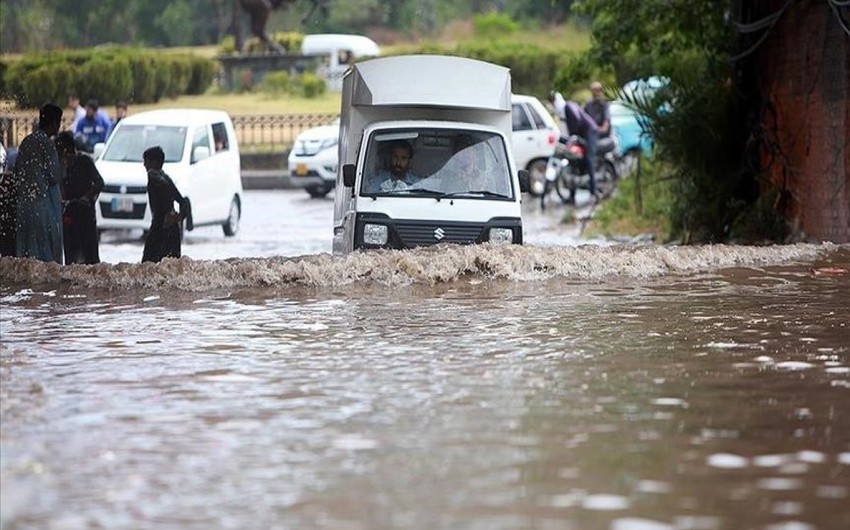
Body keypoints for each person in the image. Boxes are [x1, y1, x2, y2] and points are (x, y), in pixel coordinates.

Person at [14, 103, 64, 263]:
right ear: (54, 123)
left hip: (24, 208)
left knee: (26, 258)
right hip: (43, 209)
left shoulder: (27, 142)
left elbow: (17, 173)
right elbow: (54, 176)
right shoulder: (47, 144)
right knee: (46, 260)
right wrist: (63, 162)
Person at [55, 131, 104, 264]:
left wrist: (87, 197)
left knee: (90, 255)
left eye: (62, 151)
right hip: (69, 213)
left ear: (69, 148)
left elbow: (99, 182)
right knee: (71, 255)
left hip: (85, 212)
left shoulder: (85, 161)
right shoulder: (59, 165)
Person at [141, 146, 191, 263]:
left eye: (146, 161)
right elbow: (183, 201)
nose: (144, 165)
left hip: (160, 229)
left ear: (153, 162)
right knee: (171, 267)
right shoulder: (165, 177)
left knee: (149, 266)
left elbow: (166, 195)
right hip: (171, 230)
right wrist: (179, 217)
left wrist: (169, 214)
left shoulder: (154, 178)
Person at [562, 99, 602, 201]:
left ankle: (594, 192)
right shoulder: (565, 109)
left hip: (590, 131)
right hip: (581, 133)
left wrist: (573, 135)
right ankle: (572, 196)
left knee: (589, 159)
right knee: (575, 160)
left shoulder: (568, 106)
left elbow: (577, 119)